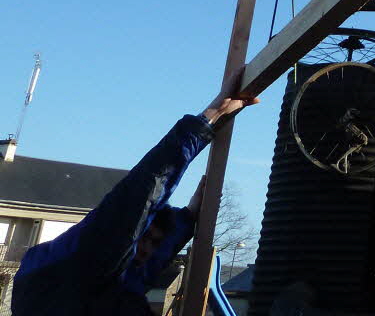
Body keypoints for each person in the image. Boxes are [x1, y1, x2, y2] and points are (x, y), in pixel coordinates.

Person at [13, 91, 257, 316]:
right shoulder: (84, 259)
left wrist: (189, 217)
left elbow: (151, 260)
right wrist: (208, 119)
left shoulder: (119, 280)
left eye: (154, 244)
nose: (147, 250)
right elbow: (142, 192)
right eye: (146, 238)